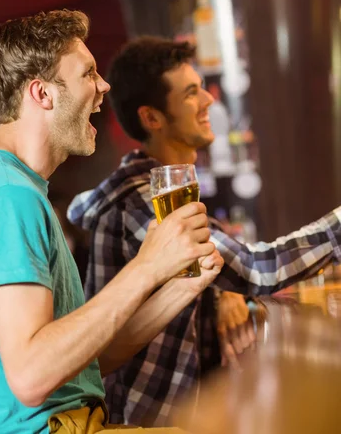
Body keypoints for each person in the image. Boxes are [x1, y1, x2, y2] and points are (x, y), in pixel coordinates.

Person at [0, 11, 224, 434]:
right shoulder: (5, 195)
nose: (103, 85)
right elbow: (32, 376)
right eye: (88, 73)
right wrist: (146, 267)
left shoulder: (12, 187)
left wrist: (182, 285)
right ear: (42, 93)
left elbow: (86, 362)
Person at [68, 36, 341, 427]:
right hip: (144, 417)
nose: (209, 100)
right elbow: (257, 269)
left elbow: (206, 269)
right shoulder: (147, 198)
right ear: (153, 118)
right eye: (192, 93)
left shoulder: (151, 187)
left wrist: (221, 294)